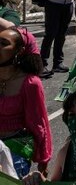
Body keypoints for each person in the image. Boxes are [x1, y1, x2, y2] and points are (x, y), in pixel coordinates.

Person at [0, 27, 53, 177]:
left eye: (3, 43)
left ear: (19, 50)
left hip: (15, 149)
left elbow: (39, 123)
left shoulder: (30, 83)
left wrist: (43, 160)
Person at [21, 0, 73, 78]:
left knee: (62, 33)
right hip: (53, 2)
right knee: (50, 34)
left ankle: (57, 63)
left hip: (69, 2)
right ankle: (42, 64)